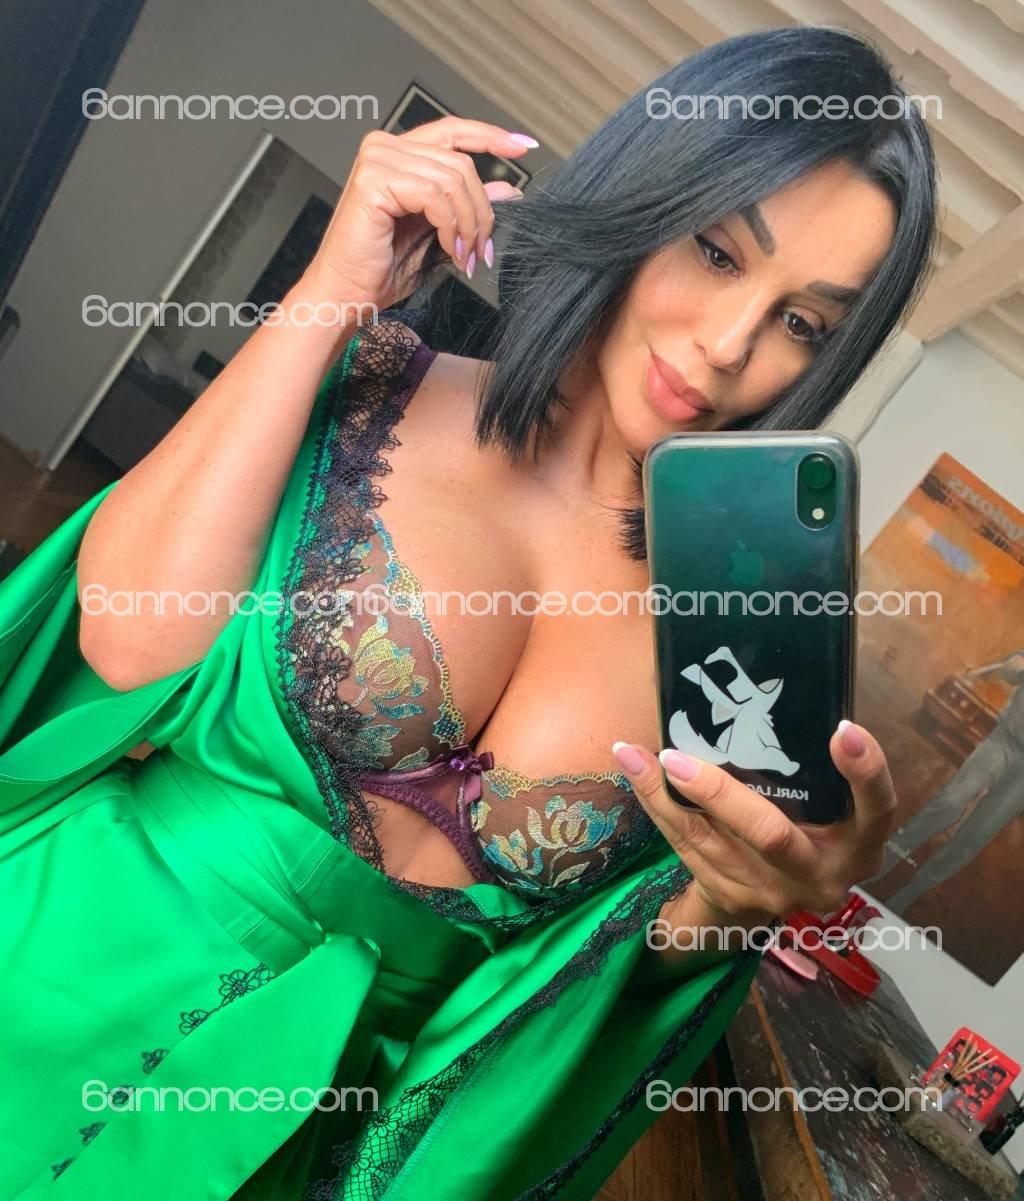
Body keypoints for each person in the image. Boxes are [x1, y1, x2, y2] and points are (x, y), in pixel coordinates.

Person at [0, 26, 934, 1201]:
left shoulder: (731, 640)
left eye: (803, 323)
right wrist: (329, 293)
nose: (728, 342)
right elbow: (130, 637)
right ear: (645, 196)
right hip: (52, 969)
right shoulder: (372, 384)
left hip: (310, 1145)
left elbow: (590, 984)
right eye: (715, 250)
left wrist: (740, 905)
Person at [871, 649, 1024, 911]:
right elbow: (1009, 669)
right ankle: (883, 863)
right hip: (1005, 740)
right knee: (951, 801)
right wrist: (1018, 668)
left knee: (978, 834)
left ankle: (911, 893)